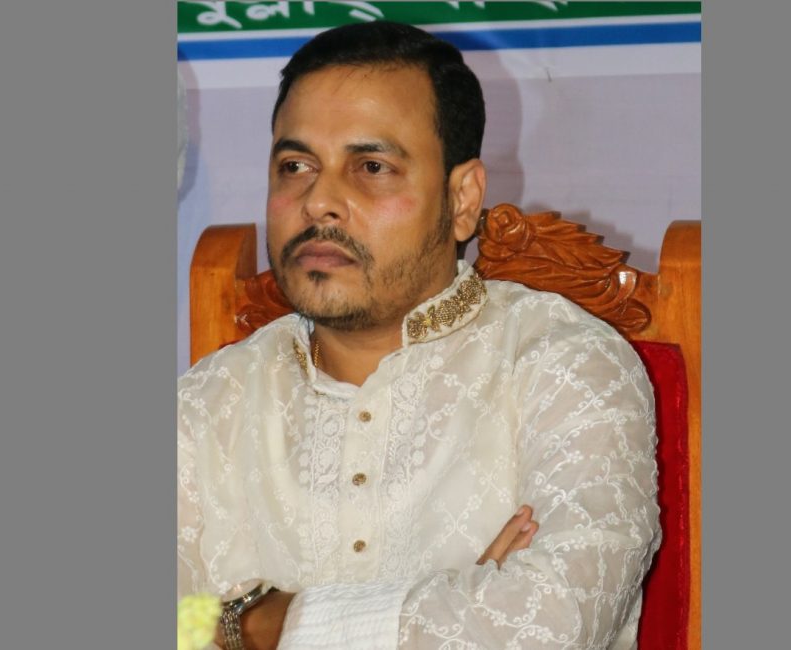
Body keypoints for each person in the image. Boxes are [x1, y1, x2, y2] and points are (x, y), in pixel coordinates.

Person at [177, 21, 660, 650]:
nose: (319, 201)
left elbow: (550, 625)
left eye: (371, 167)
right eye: (295, 166)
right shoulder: (209, 402)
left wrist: (247, 623)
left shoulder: (565, 366)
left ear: (462, 200)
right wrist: (456, 607)